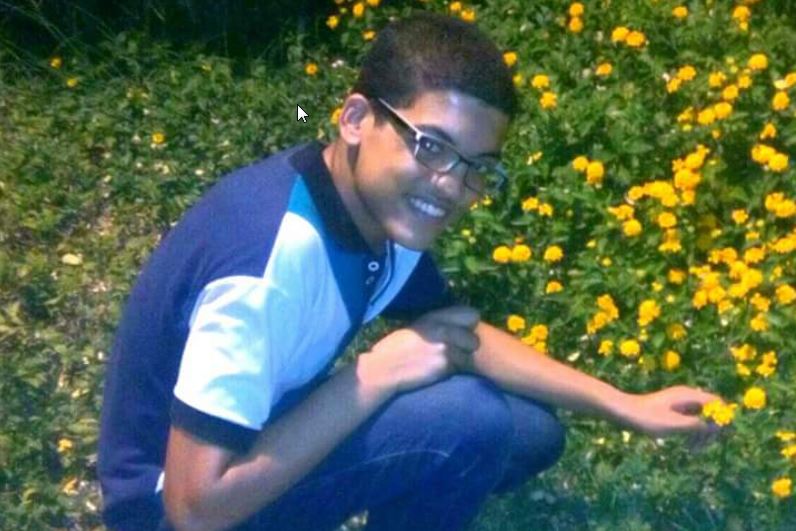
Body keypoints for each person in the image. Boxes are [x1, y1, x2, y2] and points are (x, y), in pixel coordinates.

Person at [97, 11, 725, 531]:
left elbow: (459, 337)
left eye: (477, 166)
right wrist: (374, 377)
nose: (451, 186)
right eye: (430, 145)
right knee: (471, 421)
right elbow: (193, 510)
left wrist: (626, 405)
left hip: (258, 433)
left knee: (529, 432)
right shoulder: (272, 266)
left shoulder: (374, 206)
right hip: (168, 507)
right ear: (355, 120)